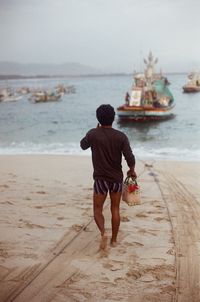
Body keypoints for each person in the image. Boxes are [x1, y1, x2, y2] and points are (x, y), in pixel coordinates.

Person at [80, 104, 136, 250]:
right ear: (113, 118)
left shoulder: (93, 133)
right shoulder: (121, 136)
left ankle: (104, 233)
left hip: (100, 180)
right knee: (115, 209)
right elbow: (129, 157)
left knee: (97, 209)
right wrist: (132, 170)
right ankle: (114, 240)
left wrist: (94, 131)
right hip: (116, 179)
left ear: (98, 118)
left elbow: (82, 145)